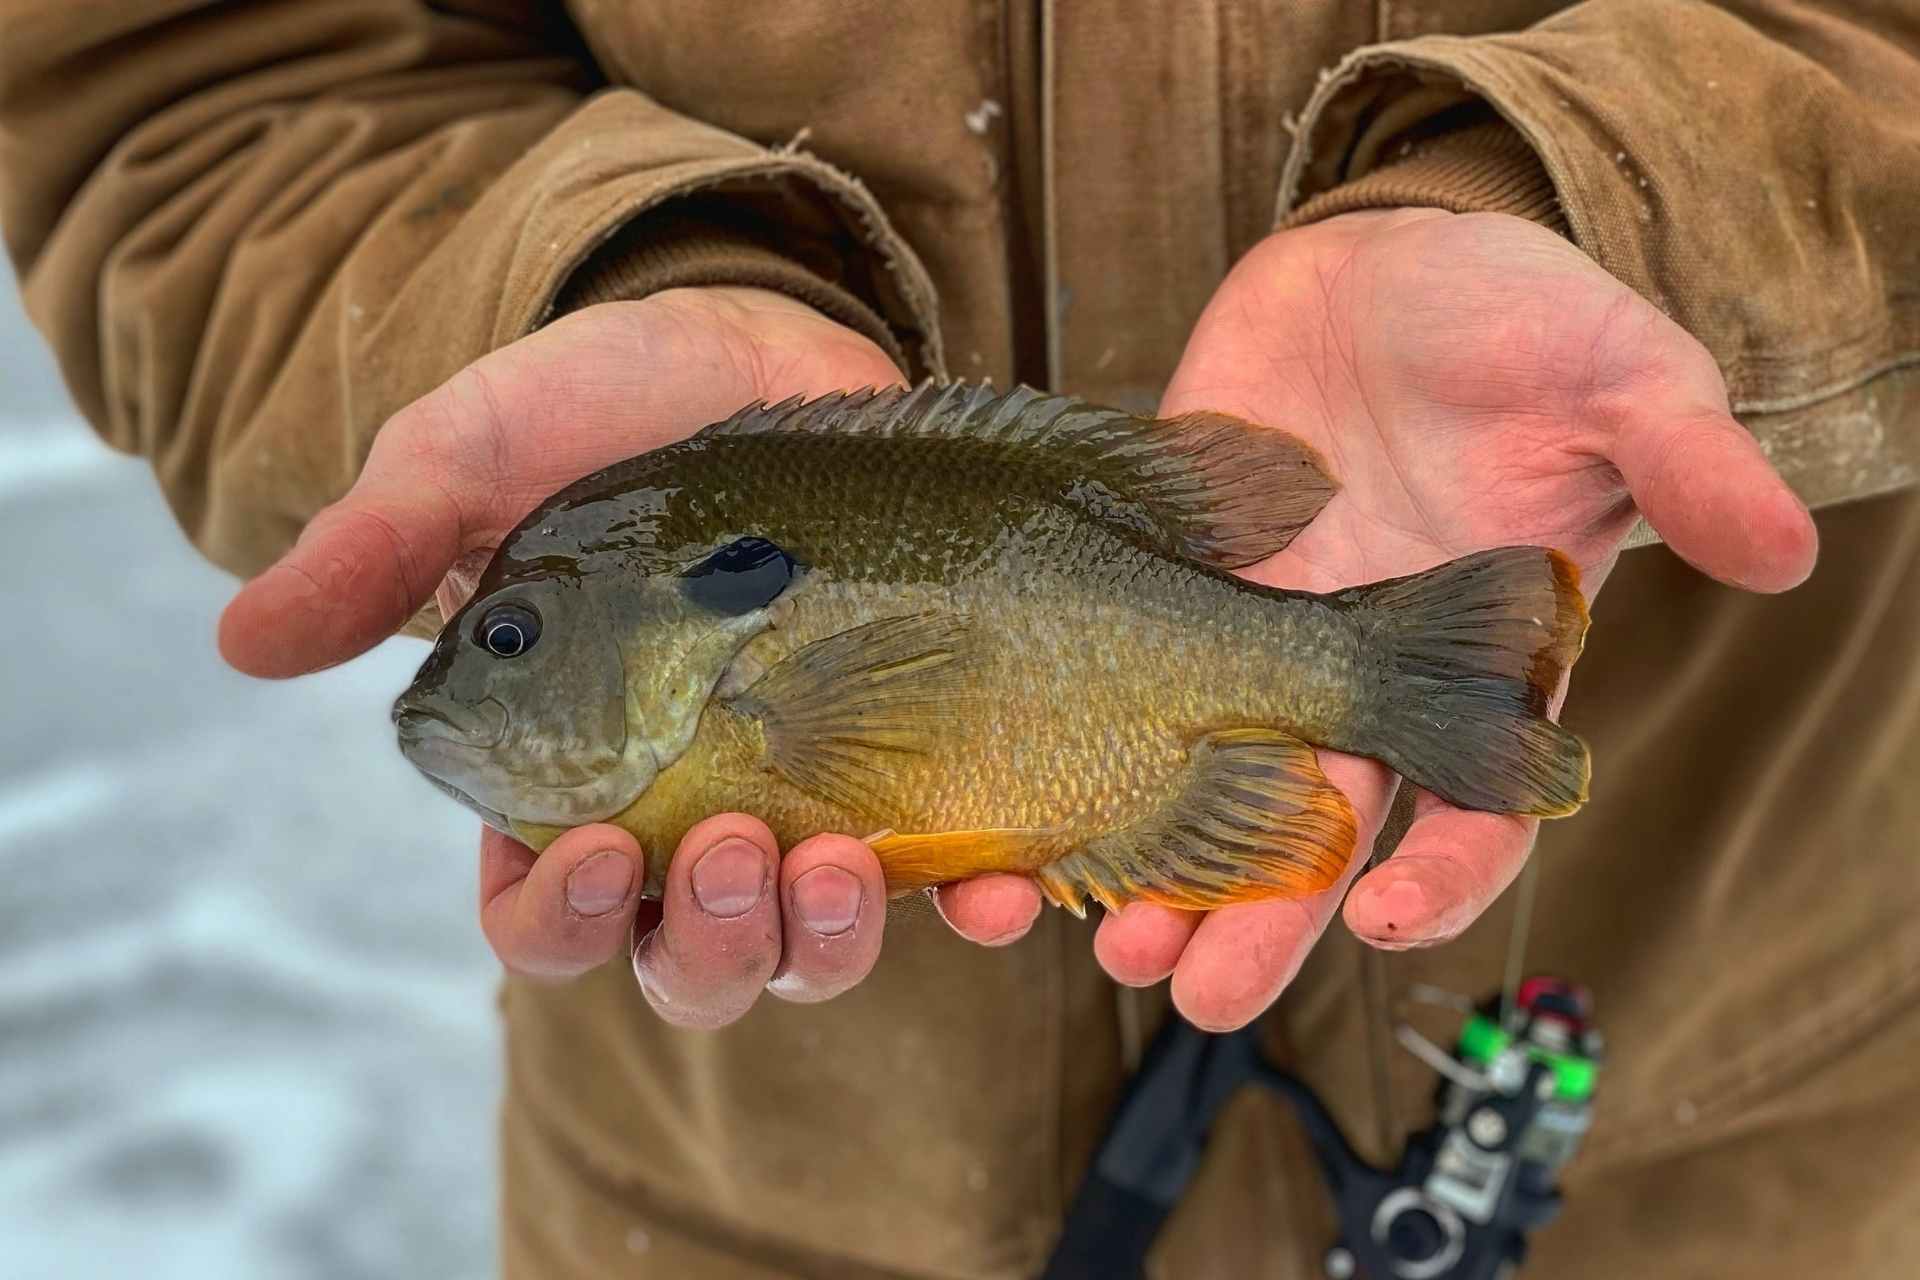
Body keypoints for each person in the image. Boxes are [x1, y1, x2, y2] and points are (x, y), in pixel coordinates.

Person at [4, 1, 1915, 1275]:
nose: (467, 684)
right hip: (776, 1205)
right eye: (508, 639)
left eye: (509, 644)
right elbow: (201, 74)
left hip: (1743, 1119)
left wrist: (1596, 199)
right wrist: (588, 284)